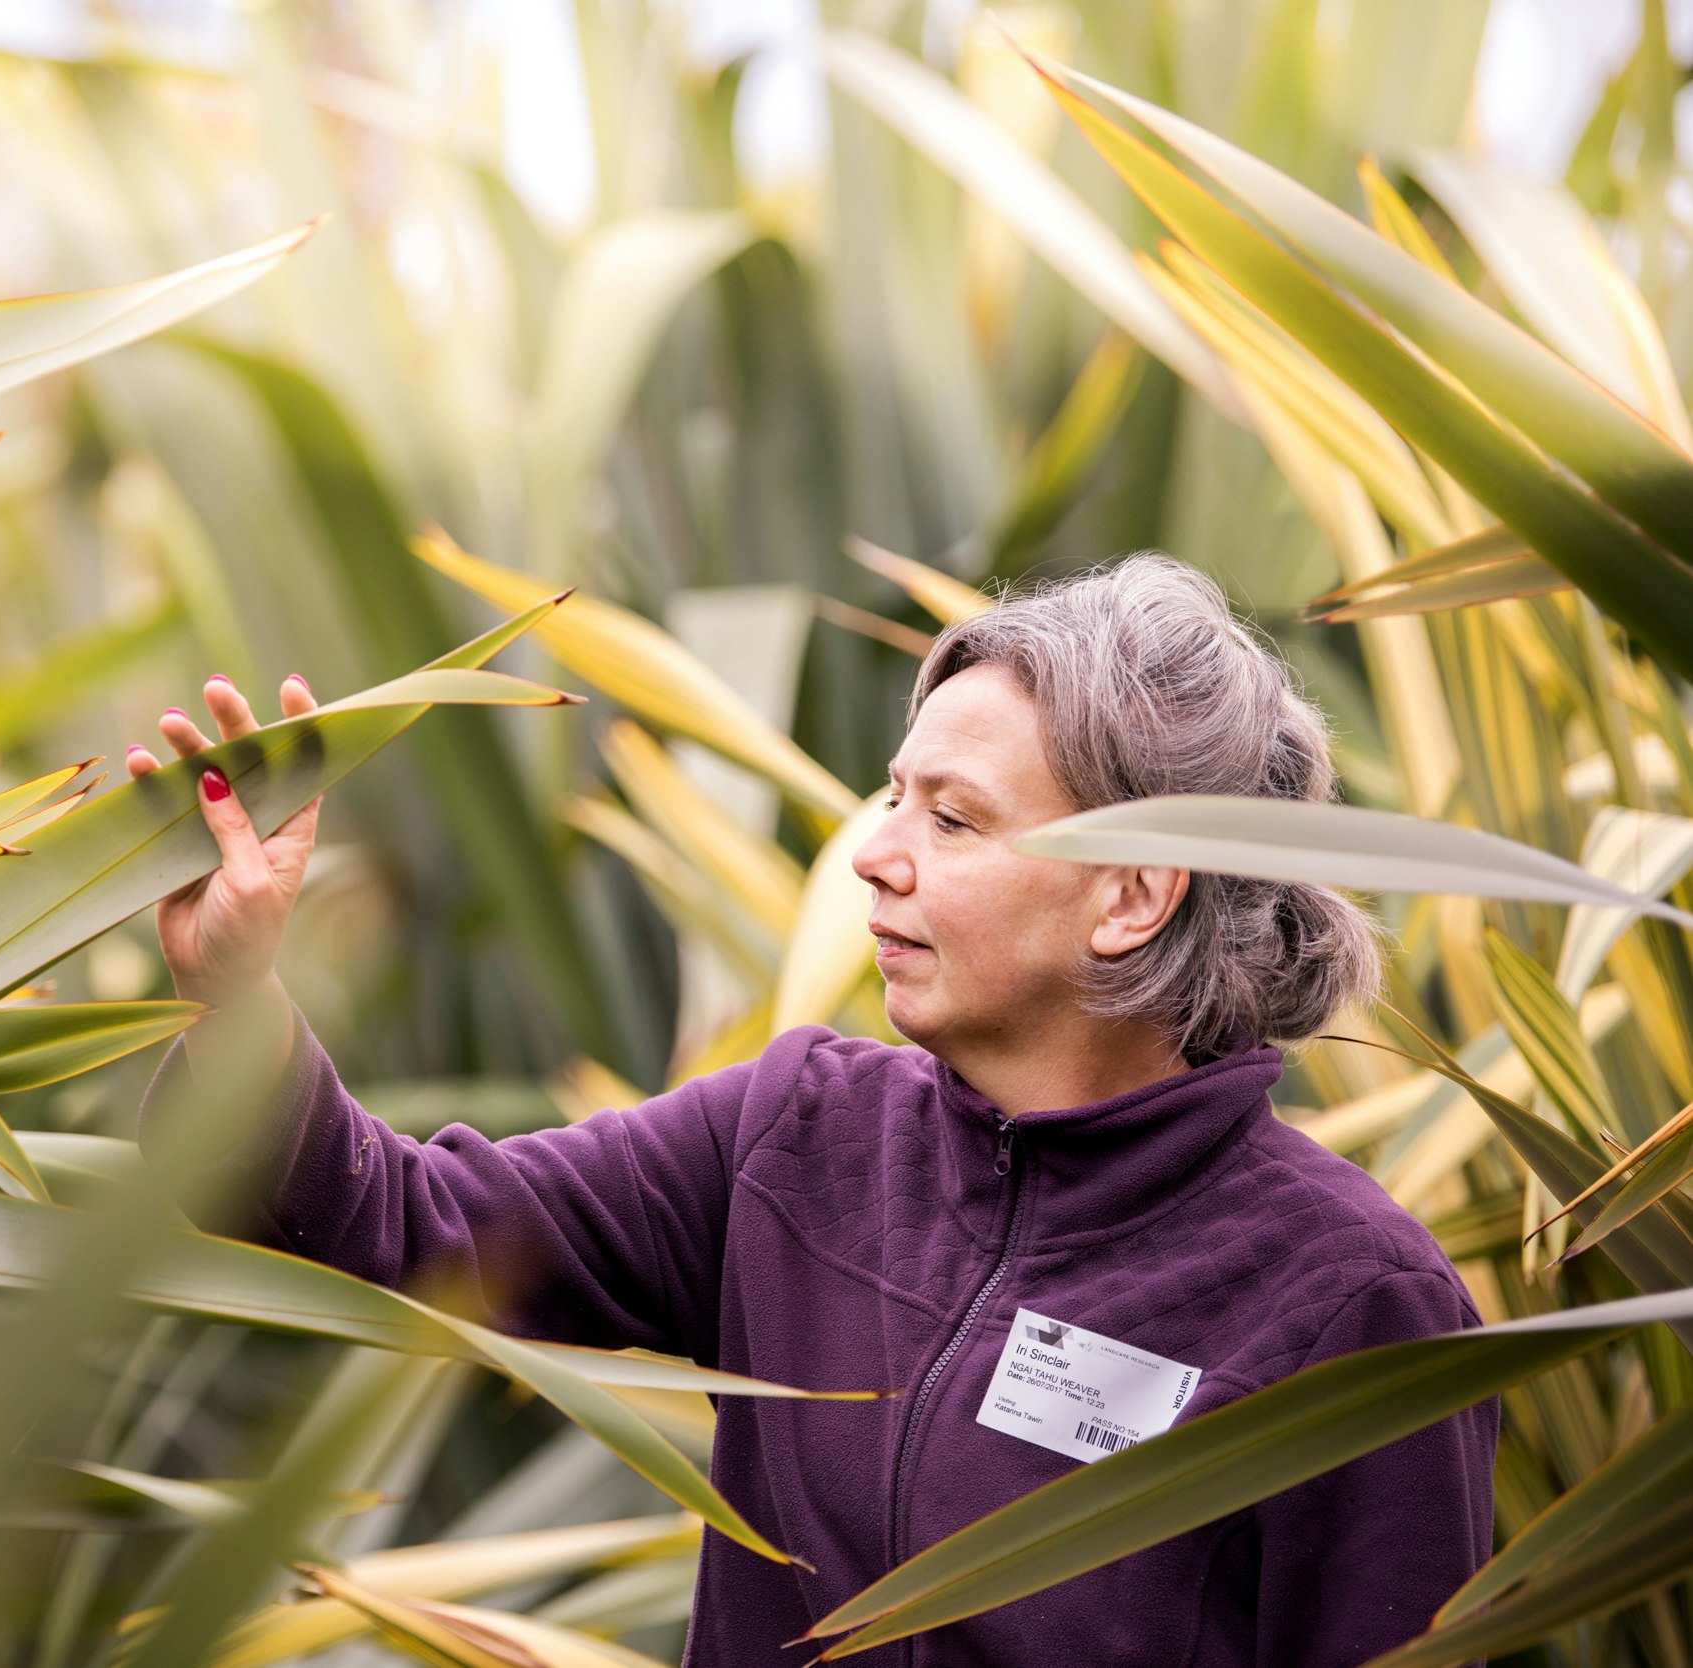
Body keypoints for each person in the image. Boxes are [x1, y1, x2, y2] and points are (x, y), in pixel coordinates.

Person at [127, 555, 1496, 1666]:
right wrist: (236, 996)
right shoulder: (797, 1136)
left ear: (1131, 892)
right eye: (891, 796)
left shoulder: (1354, 1308)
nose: (877, 856)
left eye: (952, 821)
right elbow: (400, 1226)